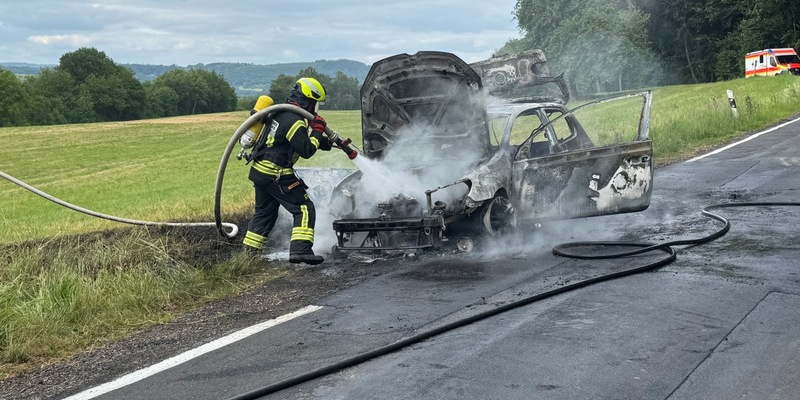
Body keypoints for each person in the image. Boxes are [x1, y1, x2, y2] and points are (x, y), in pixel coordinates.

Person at [242, 77, 332, 264]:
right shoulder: (294, 121)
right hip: (277, 174)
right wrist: (317, 130)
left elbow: (293, 139)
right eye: (315, 103)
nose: (315, 108)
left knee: (264, 214)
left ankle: (248, 256)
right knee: (304, 208)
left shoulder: (281, 113)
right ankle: (301, 250)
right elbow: (306, 150)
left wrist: (326, 142)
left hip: (261, 171)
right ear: (307, 100)